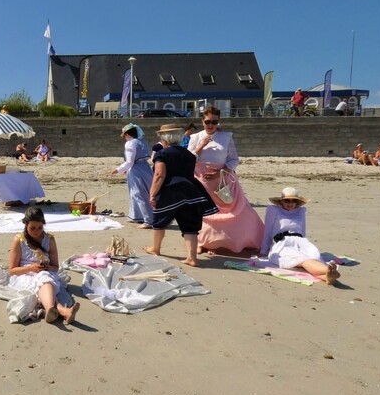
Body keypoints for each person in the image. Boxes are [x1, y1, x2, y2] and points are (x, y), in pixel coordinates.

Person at [187, 105, 264, 254]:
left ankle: (232, 240)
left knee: (231, 211)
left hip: (223, 180)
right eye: (208, 122)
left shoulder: (226, 137)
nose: (211, 125)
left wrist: (221, 173)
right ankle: (203, 241)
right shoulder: (195, 137)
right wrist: (201, 145)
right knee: (203, 212)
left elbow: (234, 159)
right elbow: (189, 159)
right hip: (201, 180)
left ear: (218, 122)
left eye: (214, 122)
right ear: (202, 121)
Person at [144, 124, 218, 266]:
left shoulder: (162, 153)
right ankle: (192, 258)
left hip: (171, 190)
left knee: (160, 220)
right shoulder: (189, 154)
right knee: (190, 225)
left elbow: (160, 175)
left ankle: (156, 248)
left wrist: (152, 194)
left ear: (164, 139)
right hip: (191, 190)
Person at [8, 207, 79, 324]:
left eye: (40, 228)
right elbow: (12, 270)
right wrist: (30, 268)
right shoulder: (19, 239)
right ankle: (61, 310)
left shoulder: (49, 239)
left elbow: (55, 267)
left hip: (45, 272)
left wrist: (48, 267)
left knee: (44, 277)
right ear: (25, 224)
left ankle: (53, 310)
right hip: (24, 274)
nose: (36, 231)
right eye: (32, 228)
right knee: (43, 281)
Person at [260, 187, 340, 285]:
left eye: (293, 200)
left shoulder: (300, 211)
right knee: (300, 259)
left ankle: (327, 276)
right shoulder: (274, 210)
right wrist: (264, 250)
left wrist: (306, 245)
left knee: (311, 257)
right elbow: (268, 230)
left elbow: (302, 230)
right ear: (281, 201)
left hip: (301, 241)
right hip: (282, 242)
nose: (290, 203)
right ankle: (327, 270)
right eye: (286, 200)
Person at [110, 123, 153, 229]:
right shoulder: (143, 142)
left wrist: (118, 169)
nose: (124, 138)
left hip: (136, 169)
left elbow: (130, 161)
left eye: (124, 135)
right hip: (145, 167)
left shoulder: (130, 143)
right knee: (144, 192)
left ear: (128, 134)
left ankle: (148, 220)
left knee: (138, 193)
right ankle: (136, 216)